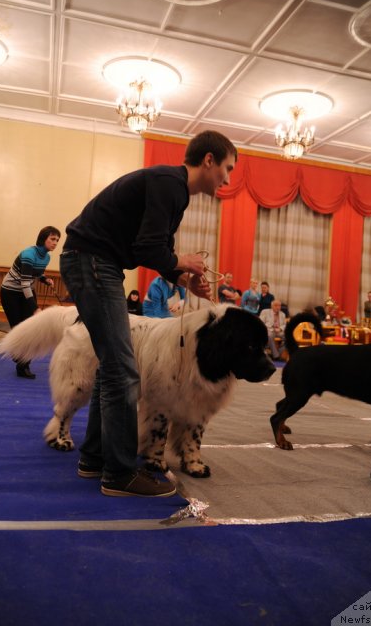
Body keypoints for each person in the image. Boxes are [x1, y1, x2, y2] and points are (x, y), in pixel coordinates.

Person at [59, 130, 237, 498]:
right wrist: (179, 262)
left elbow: (154, 249)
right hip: (93, 262)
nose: (228, 178)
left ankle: (93, 459)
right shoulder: (168, 183)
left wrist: (183, 277)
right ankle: (119, 474)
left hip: (94, 262)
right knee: (123, 369)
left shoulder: (172, 189)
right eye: (227, 168)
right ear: (209, 160)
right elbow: (149, 246)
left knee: (112, 364)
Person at [0, 226, 60, 379]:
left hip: (26, 290)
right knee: (18, 328)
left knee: (29, 330)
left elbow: (36, 273)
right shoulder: (28, 254)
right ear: (43, 238)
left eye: (57, 240)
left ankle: (22, 364)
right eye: (52, 239)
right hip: (10, 292)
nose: (55, 243)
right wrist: (35, 308)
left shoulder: (46, 257)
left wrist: (45, 279)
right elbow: (24, 283)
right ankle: (20, 357)